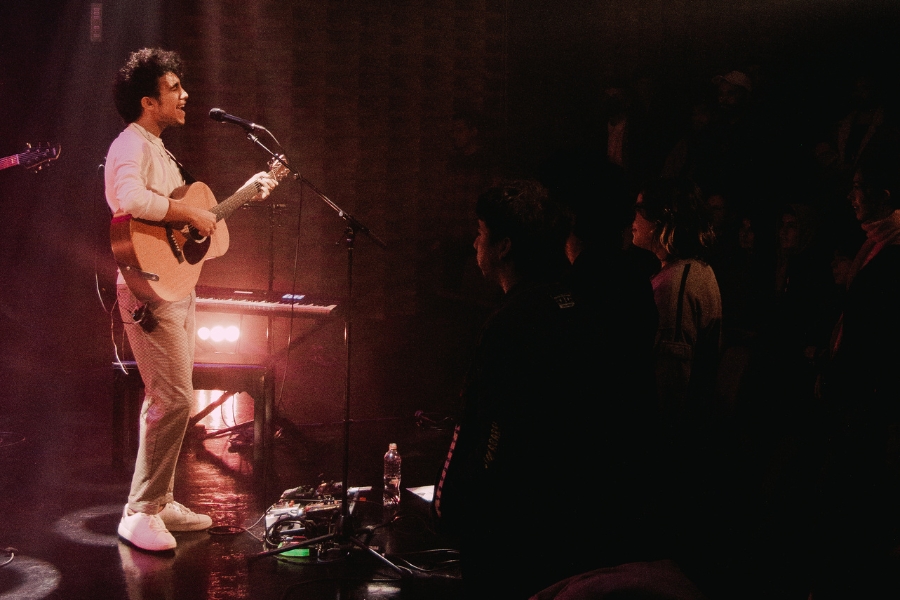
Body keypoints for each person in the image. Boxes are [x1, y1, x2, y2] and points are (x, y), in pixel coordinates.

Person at [105, 48, 277, 552]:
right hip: (147, 287)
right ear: (147, 100)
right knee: (174, 398)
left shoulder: (161, 149)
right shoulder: (129, 145)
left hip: (173, 283)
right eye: (175, 88)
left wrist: (217, 210)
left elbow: (196, 223)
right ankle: (139, 510)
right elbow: (130, 201)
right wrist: (190, 216)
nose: (186, 95)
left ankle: (159, 501)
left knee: (167, 399)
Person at [431, 179, 603, 598]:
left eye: (481, 232)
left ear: (504, 246)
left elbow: (486, 423)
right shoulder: (577, 304)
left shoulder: (510, 322)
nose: (475, 243)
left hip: (510, 521)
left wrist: (451, 502)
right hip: (569, 513)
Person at [811, 148, 900, 598]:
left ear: (884, 194)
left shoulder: (892, 253)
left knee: (850, 500)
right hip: (857, 395)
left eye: (859, 188)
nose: (851, 196)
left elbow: (876, 336)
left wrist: (845, 378)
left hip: (867, 402)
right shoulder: (877, 244)